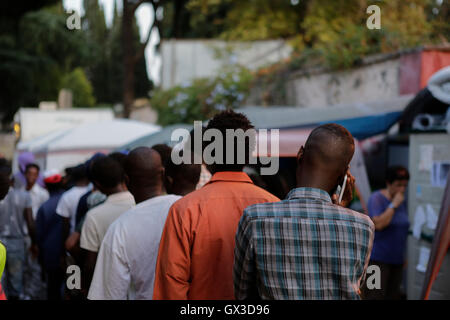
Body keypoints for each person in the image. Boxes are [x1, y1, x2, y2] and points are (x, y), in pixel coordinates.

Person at [233, 123, 375, 300]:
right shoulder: (363, 226)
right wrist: (339, 209)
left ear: (300, 155)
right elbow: (353, 283)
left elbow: (242, 294)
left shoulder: (254, 218)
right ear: (344, 176)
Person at [153, 110, 280, 300]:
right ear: (249, 156)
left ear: (207, 156)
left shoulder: (184, 210)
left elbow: (171, 285)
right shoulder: (275, 207)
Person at [88, 147, 199, 299]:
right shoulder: (190, 209)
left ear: (126, 180)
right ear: (162, 173)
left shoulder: (119, 229)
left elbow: (110, 294)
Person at [80, 155, 135, 295]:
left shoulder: (93, 216)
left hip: (108, 289)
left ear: (97, 185)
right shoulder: (138, 204)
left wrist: (85, 287)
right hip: (138, 286)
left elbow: (89, 263)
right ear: (125, 178)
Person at [362, 166, 410, 300]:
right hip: (377, 260)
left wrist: (403, 255)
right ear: (388, 183)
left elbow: (402, 228)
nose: (402, 189)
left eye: (405, 186)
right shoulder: (377, 199)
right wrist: (393, 205)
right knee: (374, 295)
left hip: (396, 260)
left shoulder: (402, 202)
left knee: (393, 296)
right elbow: (378, 224)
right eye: (398, 185)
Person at [0, 176, 35, 300]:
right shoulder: (25, 196)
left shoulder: (3, 195)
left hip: (0, 241)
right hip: (17, 243)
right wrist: (34, 243)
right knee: (16, 281)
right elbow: (30, 222)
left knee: (1, 281)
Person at [35, 171, 65, 300]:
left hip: (51, 255)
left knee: (52, 288)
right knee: (73, 287)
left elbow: (39, 235)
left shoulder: (44, 207)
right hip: (71, 255)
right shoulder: (69, 200)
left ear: (46, 186)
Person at [22, 163, 49, 300]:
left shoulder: (42, 194)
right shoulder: (20, 191)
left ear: (37, 176)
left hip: (35, 234)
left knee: (34, 266)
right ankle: (25, 291)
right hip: (21, 235)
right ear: (25, 174)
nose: (31, 177)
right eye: (29, 174)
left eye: (34, 174)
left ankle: (32, 293)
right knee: (24, 266)